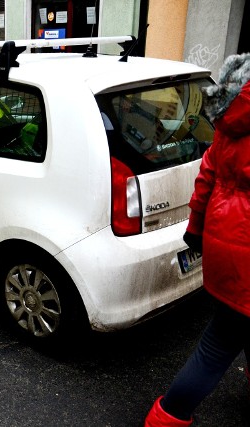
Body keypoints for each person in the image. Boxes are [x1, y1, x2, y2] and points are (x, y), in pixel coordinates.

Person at [144, 53, 250, 426]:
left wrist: (196, 226)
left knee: (231, 327)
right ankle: (167, 418)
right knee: (219, 344)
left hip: (224, 242)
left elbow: (206, 176)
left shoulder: (228, 124)